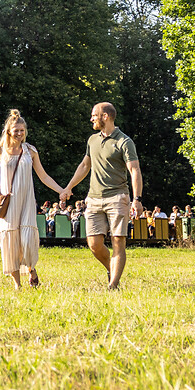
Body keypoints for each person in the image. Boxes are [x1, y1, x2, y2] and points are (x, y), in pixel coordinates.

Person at [60, 102, 142, 291]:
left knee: (118, 241)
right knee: (94, 244)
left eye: (94, 115)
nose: (91, 119)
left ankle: (113, 284)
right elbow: (84, 166)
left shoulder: (124, 141)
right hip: (94, 199)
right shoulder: (92, 140)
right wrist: (69, 187)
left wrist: (137, 199)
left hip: (118, 197)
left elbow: (134, 170)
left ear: (105, 116)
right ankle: (111, 269)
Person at [0, 110, 67, 289]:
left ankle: (31, 269)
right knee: (10, 241)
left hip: (26, 202)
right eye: (16, 130)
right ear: (8, 131)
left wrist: (61, 190)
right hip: (7, 204)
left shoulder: (30, 151)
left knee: (27, 239)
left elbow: (44, 176)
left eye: (22, 130)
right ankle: (17, 285)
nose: (19, 134)